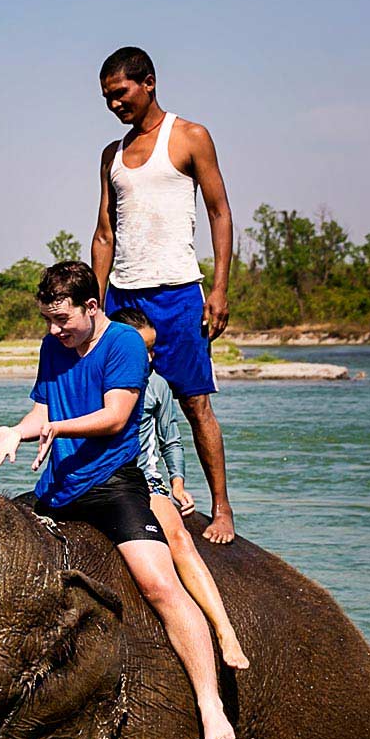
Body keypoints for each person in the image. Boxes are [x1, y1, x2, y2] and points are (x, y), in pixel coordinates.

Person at [0, 261, 235, 739]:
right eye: (49, 322)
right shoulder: (54, 346)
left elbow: (116, 418)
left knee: (160, 585)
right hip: (58, 488)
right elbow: (43, 410)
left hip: (113, 486)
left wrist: (55, 429)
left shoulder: (125, 343)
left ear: (92, 308)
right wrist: (18, 429)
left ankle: (209, 702)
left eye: (63, 321)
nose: (55, 331)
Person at [93, 45, 240, 543]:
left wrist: (218, 288)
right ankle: (119, 494)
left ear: (149, 82)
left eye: (121, 93)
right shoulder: (111, 156)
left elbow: (220, 212)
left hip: (179, 295)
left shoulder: (190, 136)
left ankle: (221, 510)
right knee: (116, 402)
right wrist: (95, 308)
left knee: (196, 404)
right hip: (122, 297)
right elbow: (104, 235)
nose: (115, 105)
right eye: (107, 98)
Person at [130, 315, 250, 670]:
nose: (150, 359)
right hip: (109, 481)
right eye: (143, 351)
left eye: (153, 350)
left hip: (148, 482)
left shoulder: (158, 386)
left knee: (180, 540)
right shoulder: (102, 381)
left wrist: (177, 482)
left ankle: (225, 630)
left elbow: (171, 439)